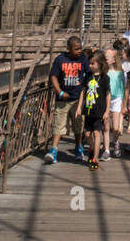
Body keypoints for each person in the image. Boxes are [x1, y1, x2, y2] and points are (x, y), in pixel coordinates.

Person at [46, 35, 90, 164]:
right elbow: (53, 76)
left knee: (78, 126)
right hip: (63, 99)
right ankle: (53, 150)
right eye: (76, 49)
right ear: (69, 48)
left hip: (77, 98)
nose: (79, 51)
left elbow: (88, 75)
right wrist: (59, 92)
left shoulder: (83, 59)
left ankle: (78, 148)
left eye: (80, 48)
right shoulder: (60, 59)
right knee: (58, 125)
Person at [78, 52, 110, 170]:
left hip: (99, 110)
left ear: (100, 64)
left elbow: (107, 94)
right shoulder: (88, 76)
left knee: (97, 133)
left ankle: (95, 158)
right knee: (87, 134)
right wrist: (79, 107)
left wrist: (107, 111)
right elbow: (83, 91)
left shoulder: (104, 78)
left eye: (92, 63)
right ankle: (92, 149)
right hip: (88, 110)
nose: (90, 65)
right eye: (89, 63)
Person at [106, 47, 126, 158]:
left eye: (107, 58)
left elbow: (123, 88)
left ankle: (116, 142)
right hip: (106, 98)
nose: (105, 60)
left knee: (115, 127)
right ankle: (107, 148)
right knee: (106, 126)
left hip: (117, 98)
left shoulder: (119, 72)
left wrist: (124, 103)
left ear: (113, 60)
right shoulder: (104, 72)